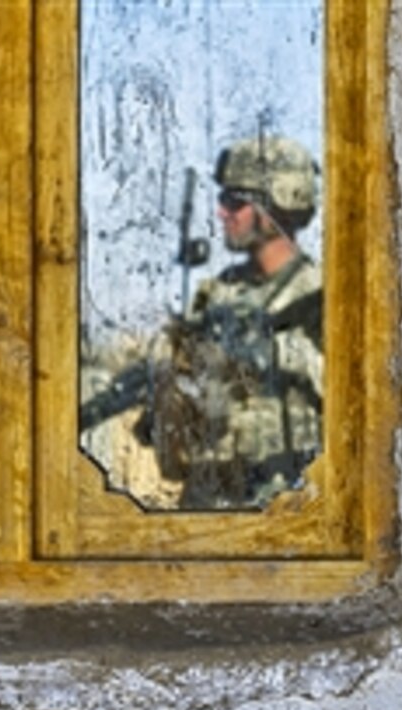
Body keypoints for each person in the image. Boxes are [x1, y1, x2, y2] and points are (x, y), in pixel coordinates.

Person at [144, 135, 324, 509]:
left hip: (286, 501)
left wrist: (281, 354)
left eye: (235, 201)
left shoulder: (321, 294)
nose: (221, 213)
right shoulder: (216, 295)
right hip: (209, 499)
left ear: (280, 201)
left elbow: (363, 400)